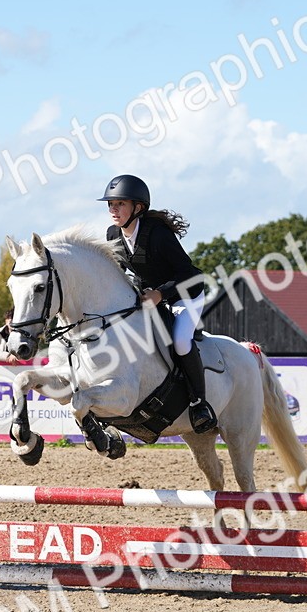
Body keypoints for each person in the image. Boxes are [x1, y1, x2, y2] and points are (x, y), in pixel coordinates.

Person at [99, 174, 216, 434]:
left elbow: (191, 275)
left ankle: (199, 403)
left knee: (181, 341)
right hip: (148, 296)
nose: (113, 210)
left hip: (186, 294)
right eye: (110, 204)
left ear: (137, 208)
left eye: (120, 204)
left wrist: (160, 294)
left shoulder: (159, 235)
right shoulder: (112, 234)